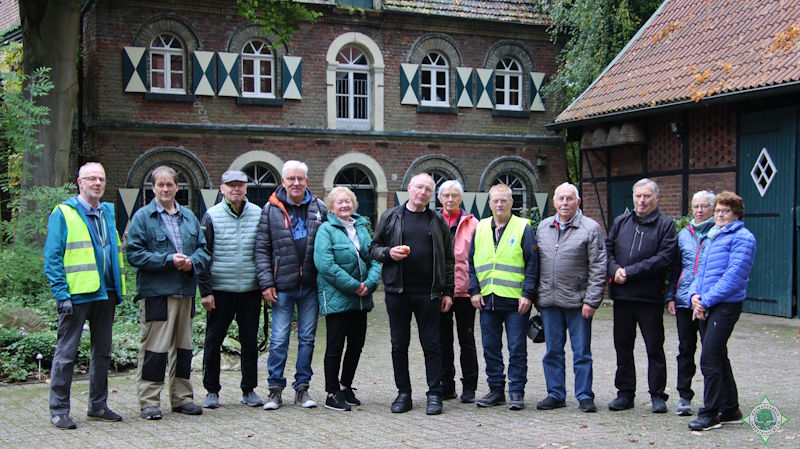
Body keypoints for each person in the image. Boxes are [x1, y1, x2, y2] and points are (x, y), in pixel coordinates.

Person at [44, 162, 126, 429]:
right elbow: (52, 258)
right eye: (91, 179)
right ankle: (59, 410)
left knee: (102, 352)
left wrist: (118, 290)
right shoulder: (64, 213)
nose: (97, 183)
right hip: (76, 295)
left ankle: (98, 405)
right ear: (80, 182)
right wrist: (61, 294)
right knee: (66, 354)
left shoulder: (107, 213)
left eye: (101, 179)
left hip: (107, 293)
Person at [127, 165, 211, 420]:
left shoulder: (189, 218)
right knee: (155, 349)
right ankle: (149, 401)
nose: (165, 189)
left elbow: (203, 251)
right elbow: (134, 253)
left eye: (170, 184)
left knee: (183, 348)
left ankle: (182, 397)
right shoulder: (143, 217)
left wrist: (191, 262)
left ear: (177, 187)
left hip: (185, 291)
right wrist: (168, 260)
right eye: (160, 185)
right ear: (153, 188)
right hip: (157, 294)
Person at [369, 173, 454, 415]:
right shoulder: (391, 216)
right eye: (419, 187)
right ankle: (403, 393)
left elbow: (449, 259)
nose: (423, 192)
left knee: (433, 345)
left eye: (428, 189)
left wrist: (448, 291)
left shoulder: (437, 221)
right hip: (397, 292)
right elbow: (373, 248)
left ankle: (434, 394)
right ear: (409, 188)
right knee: (399, 345)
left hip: (429, 293)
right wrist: (388, 253)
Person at [255, 160, 326, 410]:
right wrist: (266, 282)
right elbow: (261, 248)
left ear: (307, 181)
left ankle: (302, 389)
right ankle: (275, 390)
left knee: (307, 339)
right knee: (279, 340)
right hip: (281, 285)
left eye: (300, 179)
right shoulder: (271, 209)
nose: (296, 183)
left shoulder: (320, 208)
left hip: (310, 285)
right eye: (291, 179)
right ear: (283, 181)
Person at [606, 178, 677, 413]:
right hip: (623, 297)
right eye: (638, 196)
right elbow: (607, 250)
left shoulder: (665, 225)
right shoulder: (620, 221)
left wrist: (630, 272)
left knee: (654, 347)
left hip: (649, 298)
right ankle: (625, 393)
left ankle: (658, 394)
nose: (642, 200)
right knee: (622, 347)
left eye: (646, 196)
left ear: (656, 198)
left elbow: (663, 258)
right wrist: (614, 269)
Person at [535, 182, 606, 413]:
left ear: (578, 202)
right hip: (549, 302)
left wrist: (592, 301)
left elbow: (598, 266)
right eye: (561, 199)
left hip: (578, 303)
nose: (565, 203)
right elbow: (535, 265)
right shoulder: (543, 227)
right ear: (554, 202)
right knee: (552, 351)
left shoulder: (590, 228)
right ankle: (555, 394)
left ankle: (584, 395)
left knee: (581, 353)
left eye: (569, 199)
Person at [687, 191, 755, 431]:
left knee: (709, 358)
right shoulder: (712, 236)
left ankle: (711, 413)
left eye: (725, 211)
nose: (719, 215)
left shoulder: (743, 237)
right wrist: (694, 296)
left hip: (725, 305)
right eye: (717, 210)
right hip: (706, 302)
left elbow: (734, 276)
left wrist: (706, 301)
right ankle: (730, 408)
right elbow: (700, 272)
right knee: (718, 355)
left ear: (736, 214)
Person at [198, 171, 264, 409]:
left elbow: (265, 251)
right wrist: (205, 291)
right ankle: (211, 391)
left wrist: (265, 284)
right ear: (222, 189)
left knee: (249, 341)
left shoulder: (258, 213)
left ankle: (249, 390)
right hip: (220, 290)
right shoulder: (211, 216)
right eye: (231, 185)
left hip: (250, 290)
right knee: (213, 341)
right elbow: (202, 257)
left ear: (246, 188)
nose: (236, 189)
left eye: (240, 185)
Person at [469, 183, 538, 411]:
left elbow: (532, 264)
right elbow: (471, 263)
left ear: (511, 202)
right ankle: (496, 389)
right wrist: (474, 290)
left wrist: (528, 294)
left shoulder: (523, 227)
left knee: (517, 347)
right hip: (487, 299)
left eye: (504, 200)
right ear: (489, 203)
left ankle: (516, 391)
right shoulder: (480, 228)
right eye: (495, 200)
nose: (500, 204)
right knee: (490, 347)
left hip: (516, 301)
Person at [313, 187, 382, 411]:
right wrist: (354, 286)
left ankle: (345, 386)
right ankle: (331, 393)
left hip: (361, 299)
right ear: (331, 208)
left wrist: (369, 284)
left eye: (348, 202)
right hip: (338, 298)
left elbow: (374, 259)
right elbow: (325, 265)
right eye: (340, 203)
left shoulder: (361, 228)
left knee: (356, 345)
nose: (345, 206)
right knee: (335, 346)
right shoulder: (326, 230)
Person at [666, 190, 715, 416]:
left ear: (712, 209)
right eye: (696, 206)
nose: (699, 210)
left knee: (711, 351)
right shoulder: (684, 234)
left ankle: (713, 398)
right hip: (685, 300)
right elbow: (676, 268)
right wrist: (671, 297)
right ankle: (684, 396)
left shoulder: (719, 234)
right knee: (685, 349)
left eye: (704, 206)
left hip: (709, 302)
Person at [436, 180, 479, 403]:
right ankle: (446, 384)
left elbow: (479, 259)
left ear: (461, 198)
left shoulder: (473, 224)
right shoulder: (433, 221)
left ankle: (470, 386)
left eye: (454, 195)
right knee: (443, 340)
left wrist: (475, 289)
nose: (450, 199)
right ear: (439, 198)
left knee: (467, 340)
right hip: (440, 290)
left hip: (464, 291)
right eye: (446, 195)